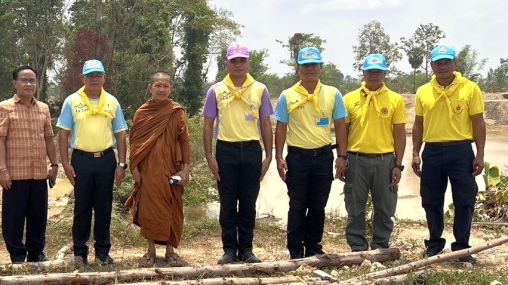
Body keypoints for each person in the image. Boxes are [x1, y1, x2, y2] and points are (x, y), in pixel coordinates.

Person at [412, 45, 486, 264]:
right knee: (431, 200)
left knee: (464, 200)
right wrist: (416, 152)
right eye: (438, 62)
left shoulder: (470, 88)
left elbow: (478, 123)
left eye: (446, 61)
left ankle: (462, 247)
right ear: (432, 65)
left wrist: (480, 153)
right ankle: (434, 243)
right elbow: (418, 124)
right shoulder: (423, 91)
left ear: (455, 63)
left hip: (461, 150)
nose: (442, 66)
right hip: (432, 151)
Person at [202, 43, 273, 264]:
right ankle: (229, 249)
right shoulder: (216, 90)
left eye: (242, 60)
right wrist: (209, 156)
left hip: (251, 149)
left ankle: (247, 249)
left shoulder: (260, 89)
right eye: (234, 61)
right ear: (227, 64)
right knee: (228, 202)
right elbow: (208, 124)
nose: (238, 64)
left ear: (249, 63)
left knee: (249, 202)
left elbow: (265, 123)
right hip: (226, 150)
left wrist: (268, 155)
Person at [274, 47, 347, 259]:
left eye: (314, 65)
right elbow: (281, 127)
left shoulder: (333, 93)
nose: (310, 69)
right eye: (305, 65)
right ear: (298, 69)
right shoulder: (287, 96)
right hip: (297, 158)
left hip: (324, 157)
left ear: (320, 67)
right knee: (297, 204)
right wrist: (279, 157)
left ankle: (313, 245)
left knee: (318, 205)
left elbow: (340, 125)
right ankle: (295, 249)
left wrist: (342, 156)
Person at [57, 59, 127, 266]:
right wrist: (65, 164)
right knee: (82, 208)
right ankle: (80, 253)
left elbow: (121, 135)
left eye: (98, 75)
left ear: (104, 78)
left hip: (106, 160)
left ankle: (103, 253)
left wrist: (121, 164)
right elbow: (63, 135)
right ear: (82, 78)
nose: (94, 79)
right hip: (81, 160)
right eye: (90, 75)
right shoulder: (72, 101)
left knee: (104, 207)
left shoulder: (112, 102)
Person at [0, 65, 58, 264]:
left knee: (38, 217)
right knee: (14, 218)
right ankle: (17, 256)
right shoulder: (4, 107)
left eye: (32, 80)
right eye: (24, 80)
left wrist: (54, 165)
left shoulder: (43, 108)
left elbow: (49, 138)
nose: (29, 84)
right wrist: (2, 170)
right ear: (15, 83)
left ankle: (36, 253)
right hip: (15, 174)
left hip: (39, 173)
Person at [342, 54, 406, 251]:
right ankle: (357, 247)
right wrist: (342, 158)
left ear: (385, 73)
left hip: (384, 161)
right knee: (354, 207)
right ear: (363, 72)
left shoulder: (395, 100)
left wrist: (398, 164)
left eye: (378, 71)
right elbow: (343, 132)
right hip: (356, 159)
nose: (374, 75)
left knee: (385, 208)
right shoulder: (349, 99)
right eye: (370, 71)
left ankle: (380, 245)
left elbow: (400, 134)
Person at [126, 71, 190, 267]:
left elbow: (184, 141)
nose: (161, 89)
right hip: (149, 169)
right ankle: (150, 251)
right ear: (150, 88)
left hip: (172, 167)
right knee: (149, 209)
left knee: (173, 207)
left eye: (165, 86)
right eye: (158, 85)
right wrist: (134, 169)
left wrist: (186, 169)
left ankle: (171, 251)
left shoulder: (177, 112)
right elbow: (135, 142)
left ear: (171, 89)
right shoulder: (142, 112)